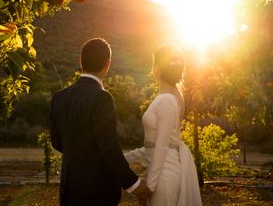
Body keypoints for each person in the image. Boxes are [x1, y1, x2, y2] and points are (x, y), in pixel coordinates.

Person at [50, 38, 152, 206]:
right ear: (108, 64)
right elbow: (109, 148)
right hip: (97, 191)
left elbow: (56, 142)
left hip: (69, 190)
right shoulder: (101, 98)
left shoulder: (59, 97)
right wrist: (134, 184)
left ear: (80, 61)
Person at [124, 46, 203, 206]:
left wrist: (150, 187)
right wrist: (124, 158)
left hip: (164, 177)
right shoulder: (164, 98)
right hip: (160, 174)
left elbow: (161, 146)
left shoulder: (166, 100)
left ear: (157, 68)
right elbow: (152, 146)